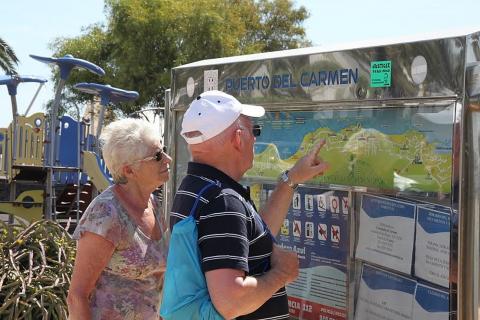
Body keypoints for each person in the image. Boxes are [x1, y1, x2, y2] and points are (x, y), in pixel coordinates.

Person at [170, 90, 330, 319]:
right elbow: (231, 301)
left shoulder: (197, 188)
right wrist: (282, 273)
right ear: (237, 138)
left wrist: (290, 180)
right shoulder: (222, 201)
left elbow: (248, 238)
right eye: (254, 130)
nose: (255, 138)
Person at [67, 118, 171, 320]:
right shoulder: (107, 214)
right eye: (157, 156)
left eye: (163, 149)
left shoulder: (154, 206)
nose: (168, 159)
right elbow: (76, 297)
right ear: (129, 170)